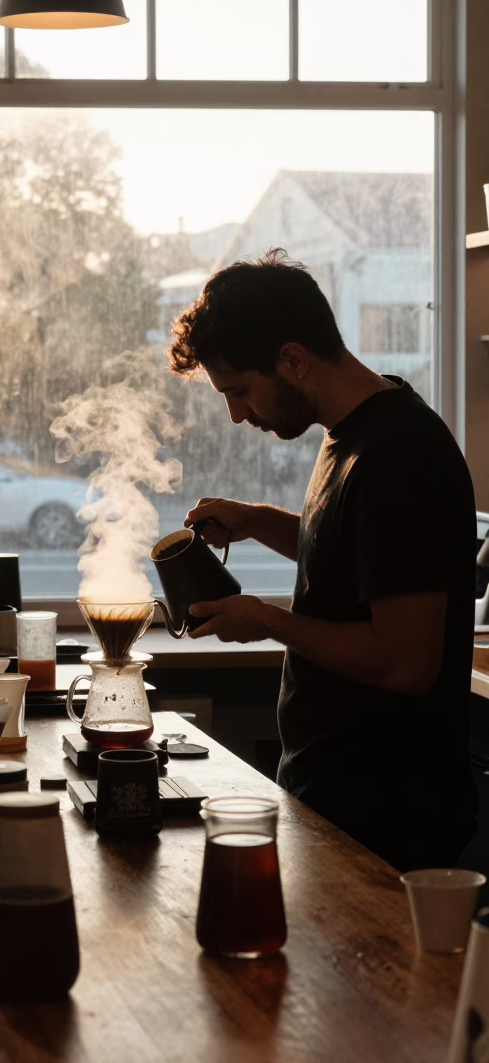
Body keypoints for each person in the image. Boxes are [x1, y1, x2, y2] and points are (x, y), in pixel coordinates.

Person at [168, 249, 477, 872]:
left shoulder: (400, 455)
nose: (235, 414)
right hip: (338, 797)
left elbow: (405, 662)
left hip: (388, 813)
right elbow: (357, 552)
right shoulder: (355, 432)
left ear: (293, 359)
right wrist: (257, 522)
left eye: (240, 390)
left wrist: (267, 620)